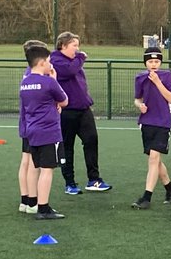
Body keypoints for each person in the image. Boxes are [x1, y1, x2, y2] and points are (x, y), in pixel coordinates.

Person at [50, 32, 112, 195]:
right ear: (63, 46)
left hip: (83, 109)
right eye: (74, 45)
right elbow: (69, 71)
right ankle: (69, 182)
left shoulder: (74, 61)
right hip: (66, 112)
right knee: (67, 147)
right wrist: (81, 57)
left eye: (78, 45)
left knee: (91, 140)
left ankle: (94, 179)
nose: (78, 49)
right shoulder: (55, 60)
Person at [19, 41, 68, 221]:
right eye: (48, 61)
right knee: (48, 170)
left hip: (32, 131)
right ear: (41, 63)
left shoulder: (24, 83)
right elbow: (64, 101)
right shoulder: (48, 82)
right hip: (49, 131)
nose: (50, 64)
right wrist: (54, 80)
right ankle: (43, 207)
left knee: (35, 166)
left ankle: (32, 202)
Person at [131, 47, 171, 209]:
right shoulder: (140, 78)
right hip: (147, 122)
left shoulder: (166, 76)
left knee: (154, 159)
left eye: (157, 61)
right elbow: (137, 99)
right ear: (146, 63)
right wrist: (140, 106)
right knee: (155, 161)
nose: (154, 64)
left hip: (162, 122)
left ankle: (146, 197)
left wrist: (158, 82)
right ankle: (170, 188)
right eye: (150, 61)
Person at [16, 39, 48, 214]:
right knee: (33, 163)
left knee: (25, 161)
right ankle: (33, 201)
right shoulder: (37, 75)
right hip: (35, 123)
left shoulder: (26, 74)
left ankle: (25, 199)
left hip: (25, 121)